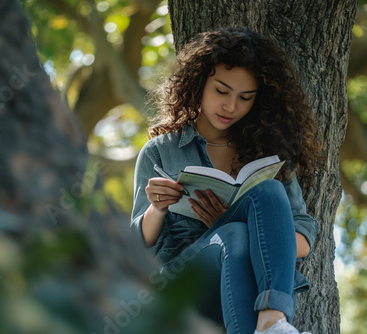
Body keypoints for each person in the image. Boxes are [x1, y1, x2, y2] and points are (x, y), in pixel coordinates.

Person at [131, 27, 323, 334]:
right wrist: (157, 209)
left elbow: (302, 238)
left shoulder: (266, 155)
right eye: (222, 91)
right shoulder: (162, 151)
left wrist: (250, 228)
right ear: (199, 83)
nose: (231, 107)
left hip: (241, 287)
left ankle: (272, 322)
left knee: (266, 195)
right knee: (233, 234)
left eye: (245, 98)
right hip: (180, 287)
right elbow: (134, 250)